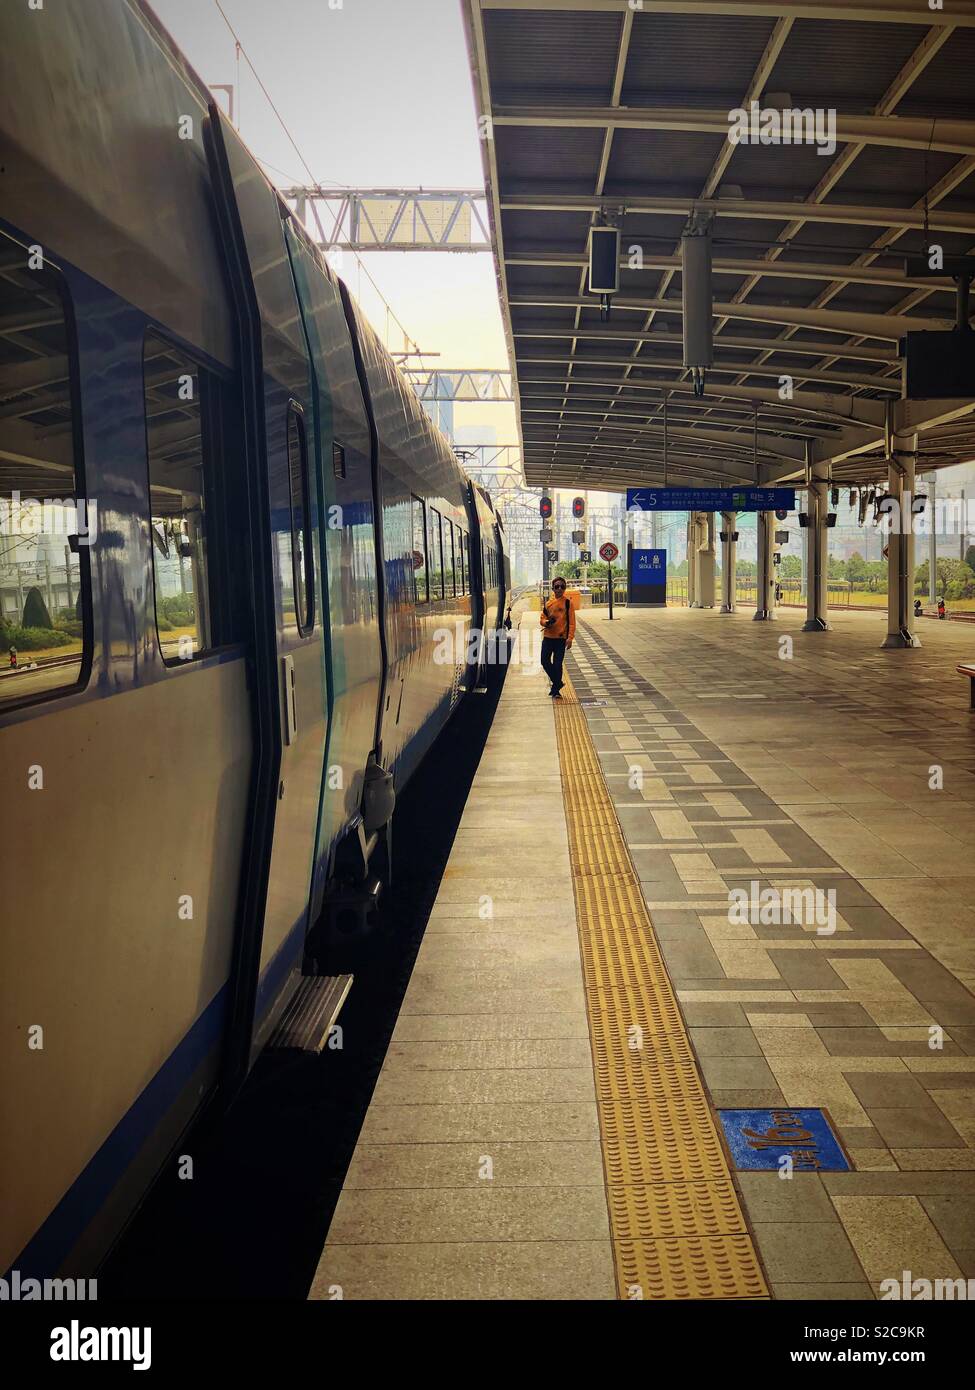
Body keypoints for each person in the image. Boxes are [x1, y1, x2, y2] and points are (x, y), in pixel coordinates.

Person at [539, 576, 575, 698]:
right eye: (557, 587)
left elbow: (572, 622)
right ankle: (558, 683)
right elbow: (542, 618)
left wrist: (570, 638)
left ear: (565, 588)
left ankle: (555, 690)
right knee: (544, 661)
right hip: (548, 638)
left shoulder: (568, 603)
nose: (559, 589)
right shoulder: (548, 604)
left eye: (562, 587)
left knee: (557, 664)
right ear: (553, 589)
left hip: (560, 639)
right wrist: (545, 623)